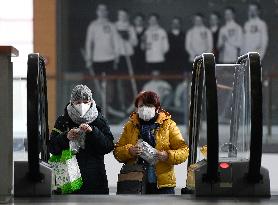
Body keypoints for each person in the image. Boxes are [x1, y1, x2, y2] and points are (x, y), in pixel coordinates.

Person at [114, 91, 189, 194]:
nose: (144, 108)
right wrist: (129, 150)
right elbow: (117, 152)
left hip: (163, 185)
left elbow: (184, 151)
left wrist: (167, 155)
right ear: (136, 108)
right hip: (135, 183)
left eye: (149, 105)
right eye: (141, 106)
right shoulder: (130, 126)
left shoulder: (169, 125)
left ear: (157, 108)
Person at [49, 85, 114, 194]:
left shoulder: (99, 120)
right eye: (78, 102)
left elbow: (108, 147)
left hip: (94, 182)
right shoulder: (63, 121)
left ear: (91, 101)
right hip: (68, 180)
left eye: (85, 101)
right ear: (72, 103)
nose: (82, 105)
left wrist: (93, 132)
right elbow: (52, 147)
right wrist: (66, 137)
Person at [85, 4, 119, 75]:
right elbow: (89, 43)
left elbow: (116, 42)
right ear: (97, 12)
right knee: (97, 83)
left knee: (111, 83)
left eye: (104, 10)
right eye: (100, 10)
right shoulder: (92, 25)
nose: (102, 12)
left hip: (110, 58)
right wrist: (88, 58)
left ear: (107, 12)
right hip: (96, 59)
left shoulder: (112, 26)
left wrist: (116, 57)